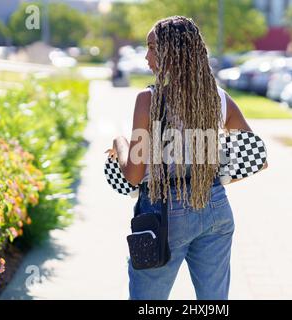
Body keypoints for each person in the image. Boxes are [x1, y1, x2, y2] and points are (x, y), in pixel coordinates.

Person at [107, 16, 267, 300]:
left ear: (174, 53)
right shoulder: (219, 98)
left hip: (164, 212)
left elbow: (132, 175)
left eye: (153, 48)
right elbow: (258, 158)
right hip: (215, 205)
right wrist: (210, 179)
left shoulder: (150, 100)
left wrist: (119, 143)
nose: (146, 56)